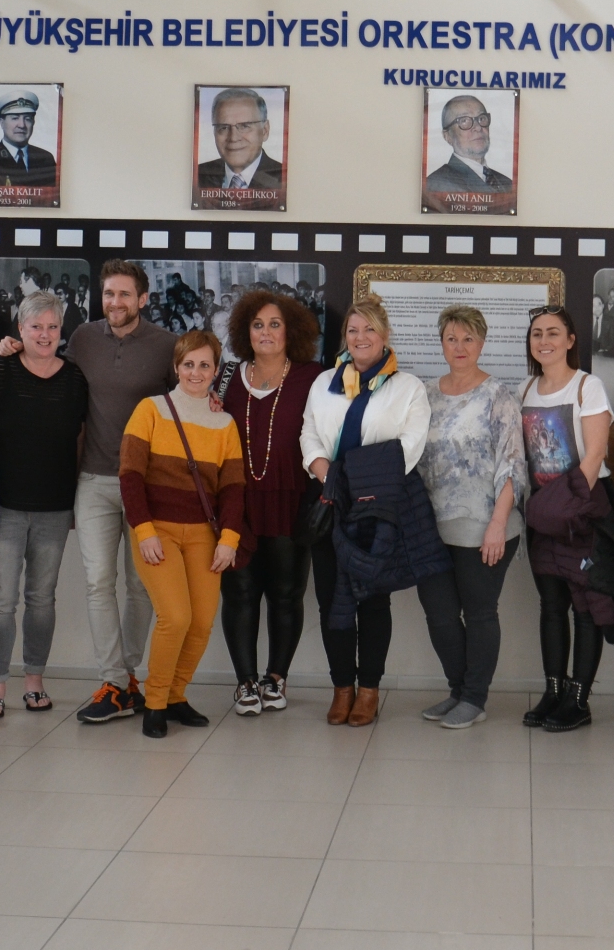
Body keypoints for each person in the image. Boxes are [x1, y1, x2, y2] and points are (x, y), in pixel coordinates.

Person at [11, 260, 175, 725]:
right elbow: (46, 365)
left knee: (141, 585)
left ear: (143, 298)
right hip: (94, 481)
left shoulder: (166, 345)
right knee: (99, 582)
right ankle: (114, 681)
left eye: (124, 294)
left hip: (147, 486)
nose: (115, 302)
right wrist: (13, 345)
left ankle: (129, 676)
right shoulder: (83, 337)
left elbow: (189, 395)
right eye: (108, 294)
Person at [301, 295, 430, 726]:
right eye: (353, 330)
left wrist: (360, 482)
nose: (360, 337)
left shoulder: (408, 387)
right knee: (329, 600)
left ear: (385, 335)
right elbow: (308, 433)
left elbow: (410, 447)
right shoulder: (325, 382)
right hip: (330, 501)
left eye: (369, 329)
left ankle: (369, 689)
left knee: (372, 600)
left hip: (377, 507)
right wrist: (327, 475)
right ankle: (342, 688)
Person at [121, 331, 244, 738]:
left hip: (204, 535)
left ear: (216, 370)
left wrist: (229, 539)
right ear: (176, 367)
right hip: (157, 531)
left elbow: (233, 488)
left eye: (204, 365)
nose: (196, 372)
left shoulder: (224, 422)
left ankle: (176, 695)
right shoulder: (150, 410)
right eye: (188, 364)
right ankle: (155, 703)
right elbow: (130, 477)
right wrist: (144, 531)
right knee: (175, 617)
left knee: (202, 622)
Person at [414, 307, 526, 728]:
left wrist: (497, 524)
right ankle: (458, 691)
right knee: (439, 614)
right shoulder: (425, 394)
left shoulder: (499, 395)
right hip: (432, 530)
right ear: (441, 343)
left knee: (479, 613)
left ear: (482, 343)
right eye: (451, 338)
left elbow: (512, 464)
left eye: (468, 339)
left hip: (486, 526)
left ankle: (474, 699)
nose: (459, 347)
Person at [0, 290, 88, 716]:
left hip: (54, 508)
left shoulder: (75, 379)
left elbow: (81, 438)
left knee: (42, 598)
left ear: (62, 331)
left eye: (52, 326)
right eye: (36, 326)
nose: (45, 334)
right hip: (3, 506)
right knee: (0, 600)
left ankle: (34, 680)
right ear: (20, 329)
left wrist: (76, 498)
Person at [218, 288, 321, 715]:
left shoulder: (314, 377)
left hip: (291, 500)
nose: (265, 332)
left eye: (274, 324)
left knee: (285, 593)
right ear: (245, 331)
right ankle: (245, 682)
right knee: (239, 592)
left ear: (290, 331)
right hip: (235, 504)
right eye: (257, 324)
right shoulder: (225, 376)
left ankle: (275, 678)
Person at [422, 93, 514, 208]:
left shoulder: (507, 183)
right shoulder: (437, 184)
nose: (478, 127)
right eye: (464, 121)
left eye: (482, 118)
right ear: (448, 136)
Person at [197, 87, 284, 192]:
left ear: (264, 131)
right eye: (224, 127)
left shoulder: (285, 177)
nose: (233, 138)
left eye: (244, 126)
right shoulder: (197, 175)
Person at [0, 89, 58, 193]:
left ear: (33, 122)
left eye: (27, 119)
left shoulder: (45, 159)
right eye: (15, 118)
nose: (22, 125)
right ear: (2, 122)